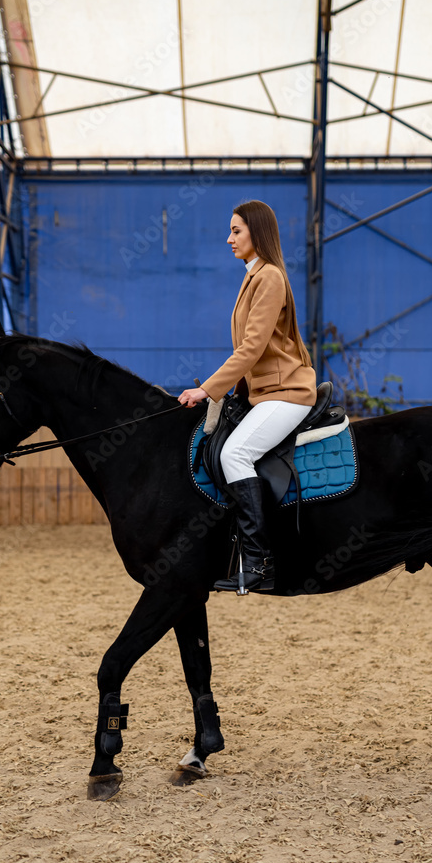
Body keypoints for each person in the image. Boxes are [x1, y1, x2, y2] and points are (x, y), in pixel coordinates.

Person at [178, 200, 317, 593]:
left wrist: (207, 388)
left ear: (256, 231)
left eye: (236, 230)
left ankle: (259, 563)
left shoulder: (269, 276)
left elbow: (252, 348)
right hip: (265, 393)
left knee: (233, 454)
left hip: (287, 393)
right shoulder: (253, 277)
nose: (229, 239)